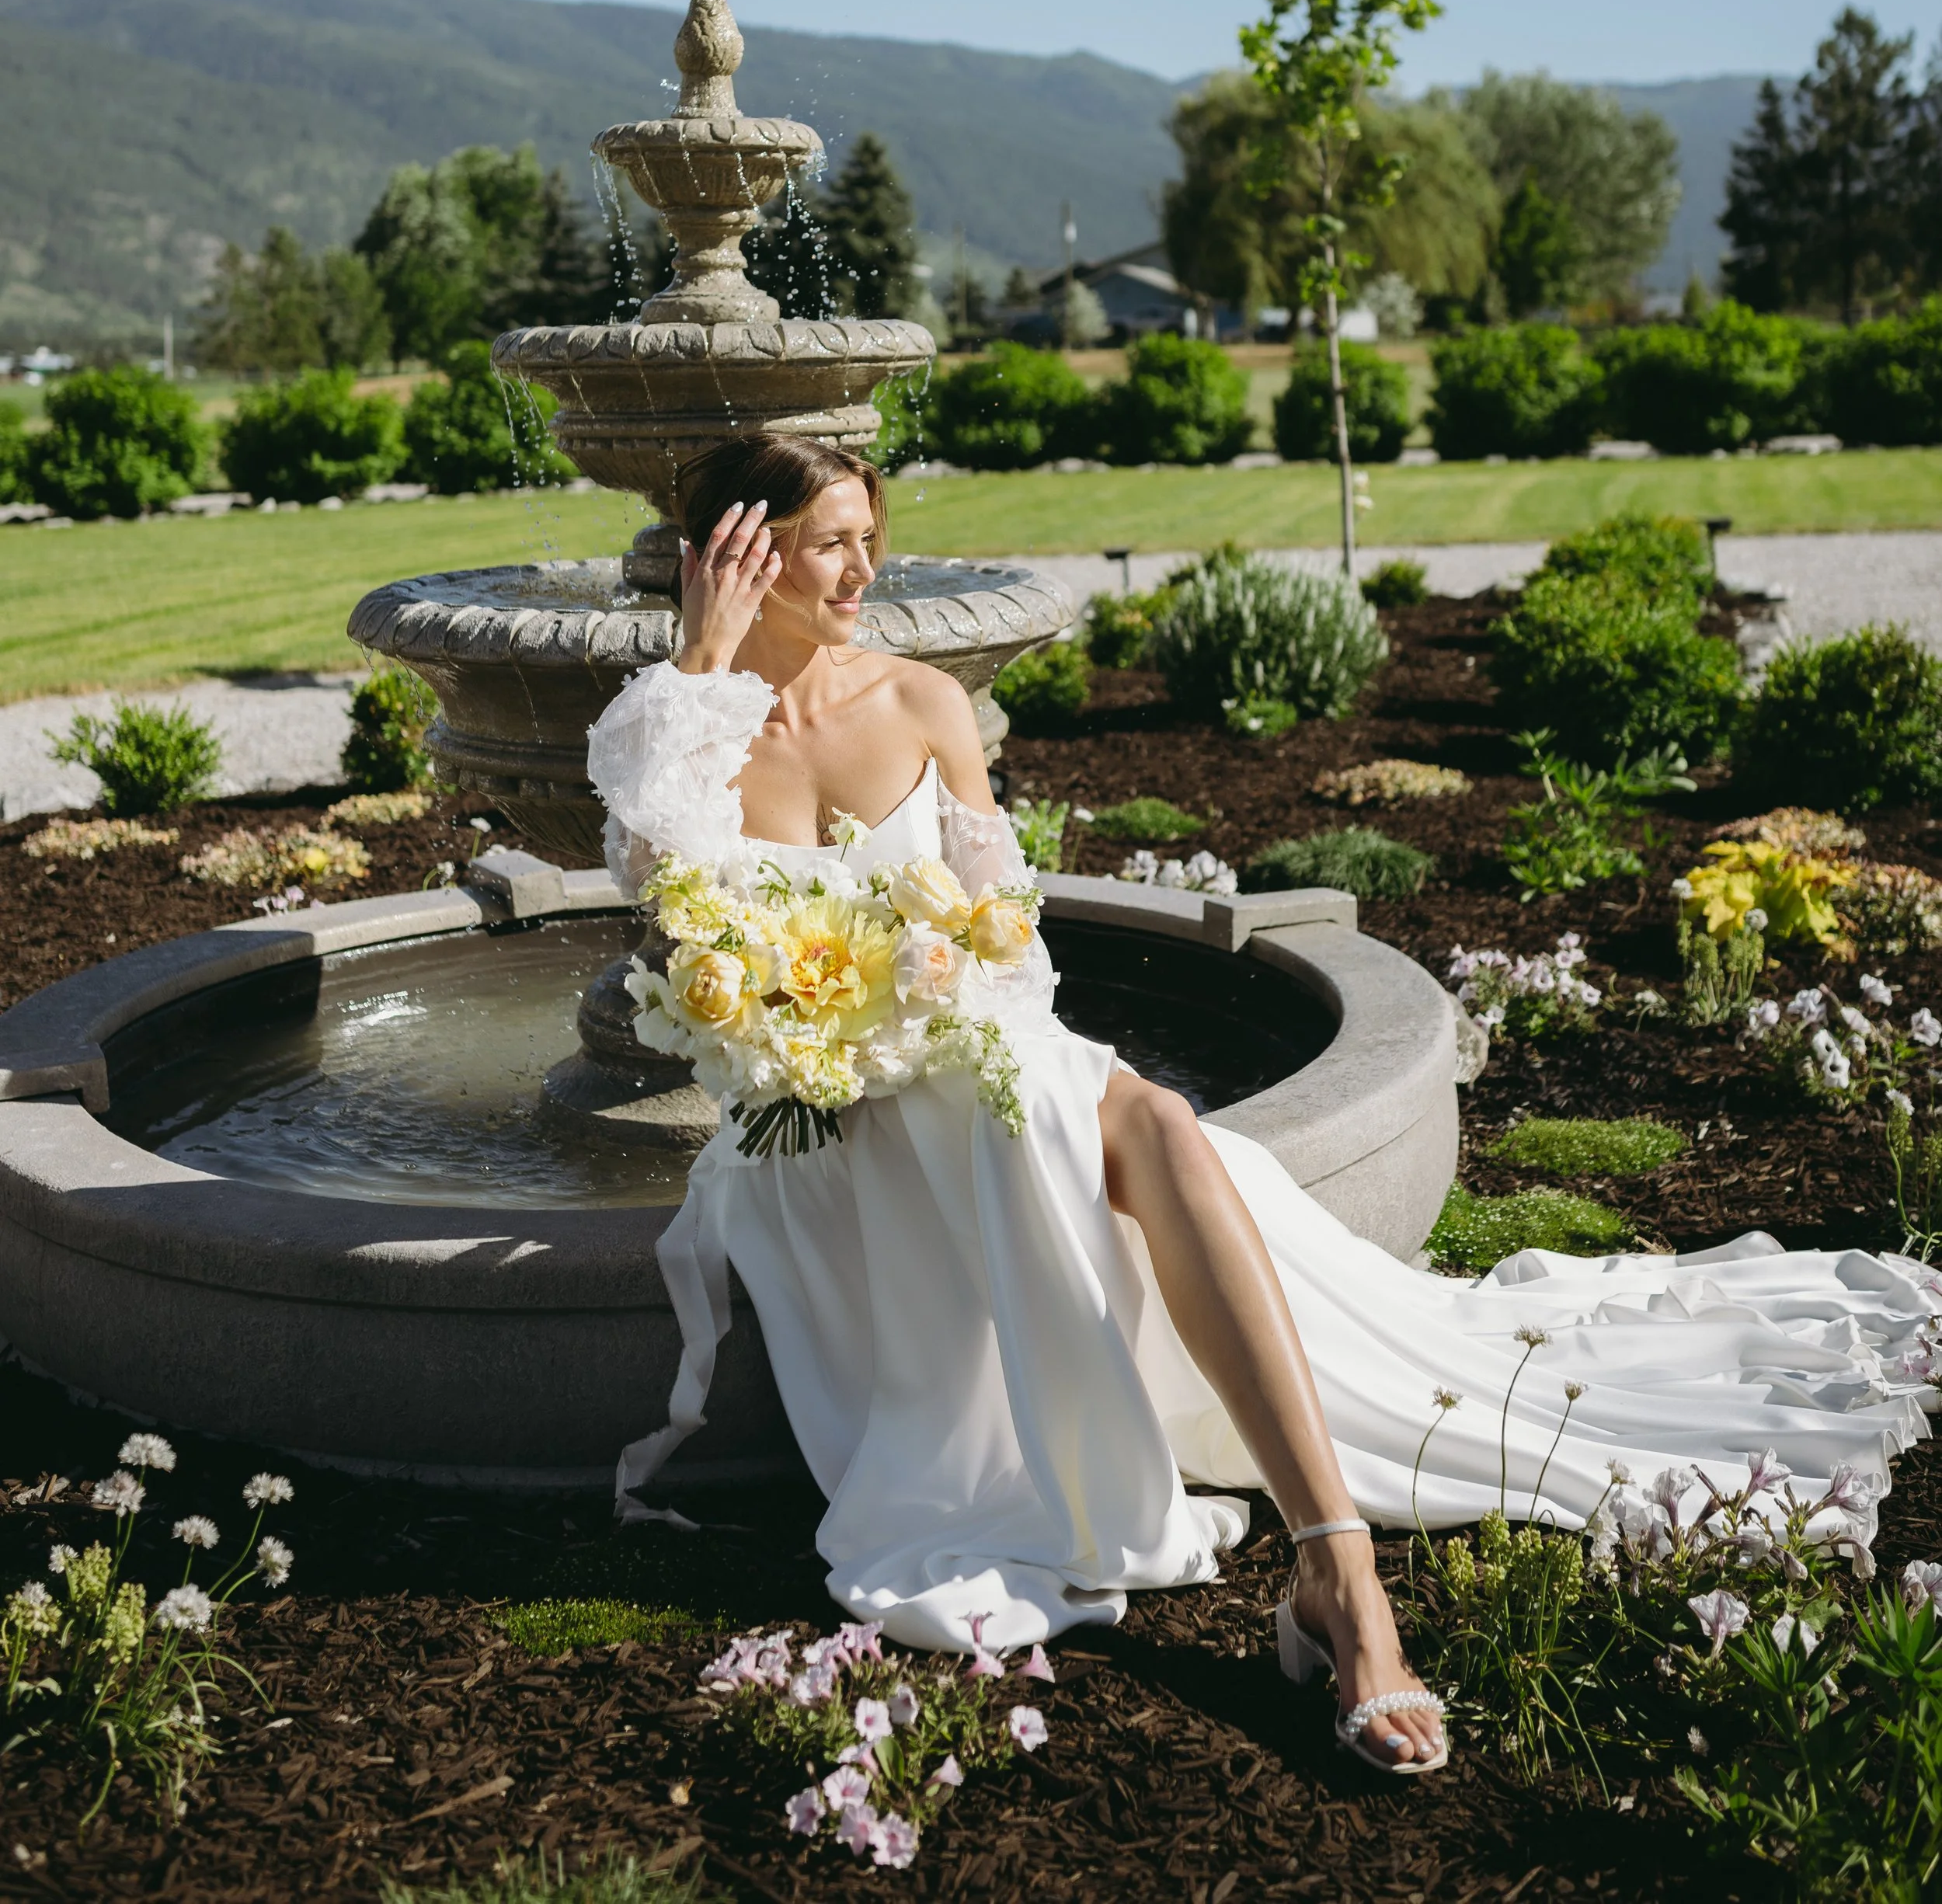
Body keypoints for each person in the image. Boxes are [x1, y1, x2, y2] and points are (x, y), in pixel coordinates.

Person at [587, 436, 1938, 1776]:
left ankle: (1337, 1568)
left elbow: (1010, 945)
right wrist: (705, 670)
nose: (866, 565)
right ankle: (1316, 1565)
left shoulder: (927, 701)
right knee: (1063, 1129)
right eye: (833, 540)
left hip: (982, 1061)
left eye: (871, 533)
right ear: (740, 553)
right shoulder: (667, 729)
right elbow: (666, 898)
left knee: (1163, 1123)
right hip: (824, 1131)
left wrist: (933, 999)